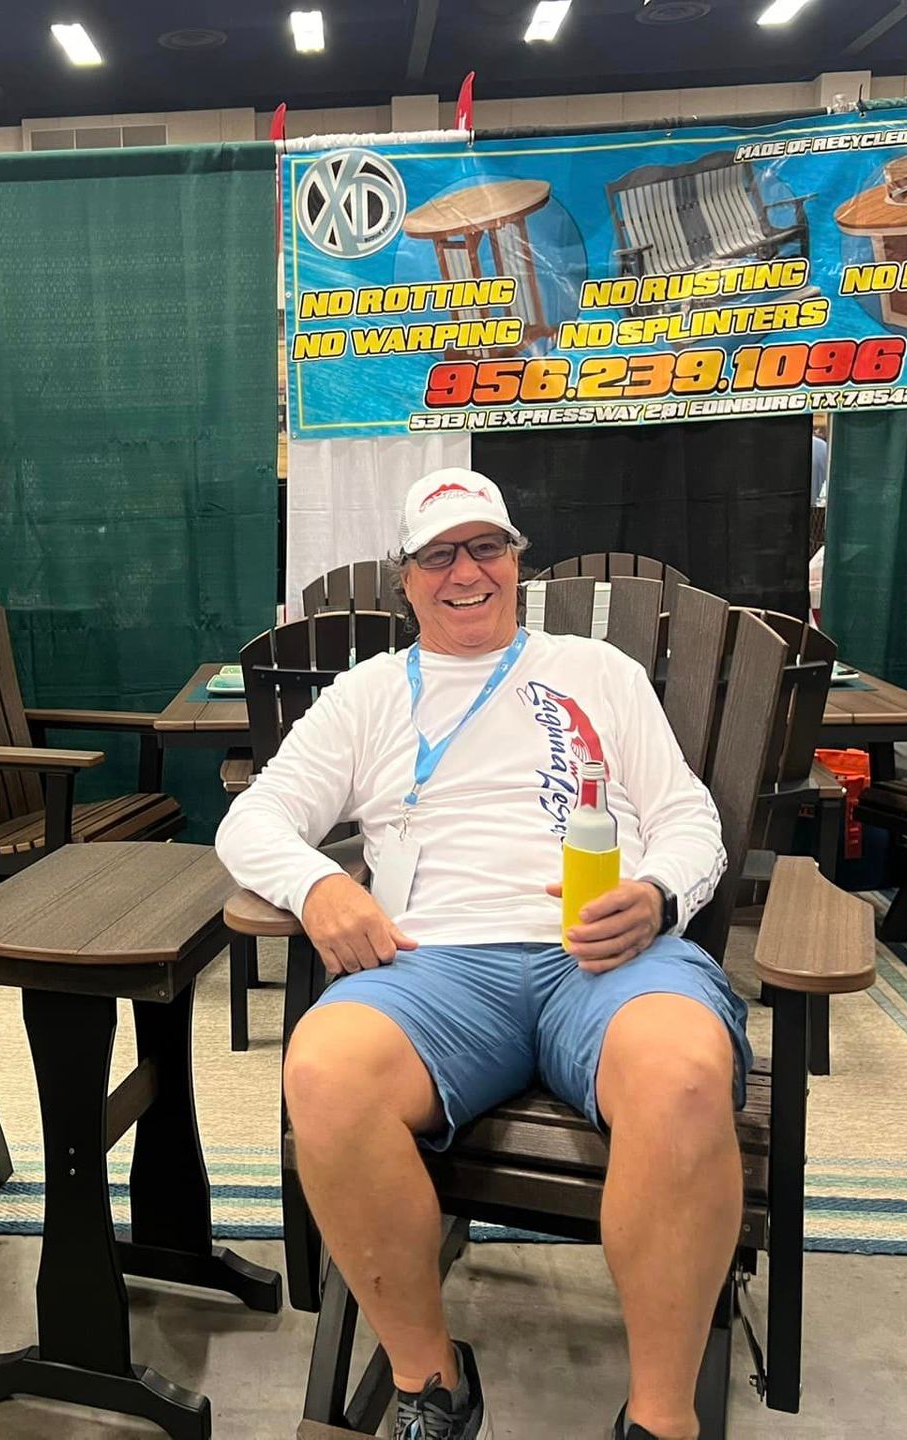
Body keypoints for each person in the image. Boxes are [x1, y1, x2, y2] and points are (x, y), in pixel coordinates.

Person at [216, 469, 747, 1440]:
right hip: (435, 965)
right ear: (405, 579)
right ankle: (433, 1384)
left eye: (486, 548)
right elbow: (255, 822)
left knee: (679, 1077)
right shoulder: (366, 695)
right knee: (327, 1074)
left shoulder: (598, 672)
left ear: (517, 562)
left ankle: (662, 1419)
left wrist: (660, 896)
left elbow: (687, 819)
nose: (466, 572)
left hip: (605, 950)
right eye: (439, 555)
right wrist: (320, 885)